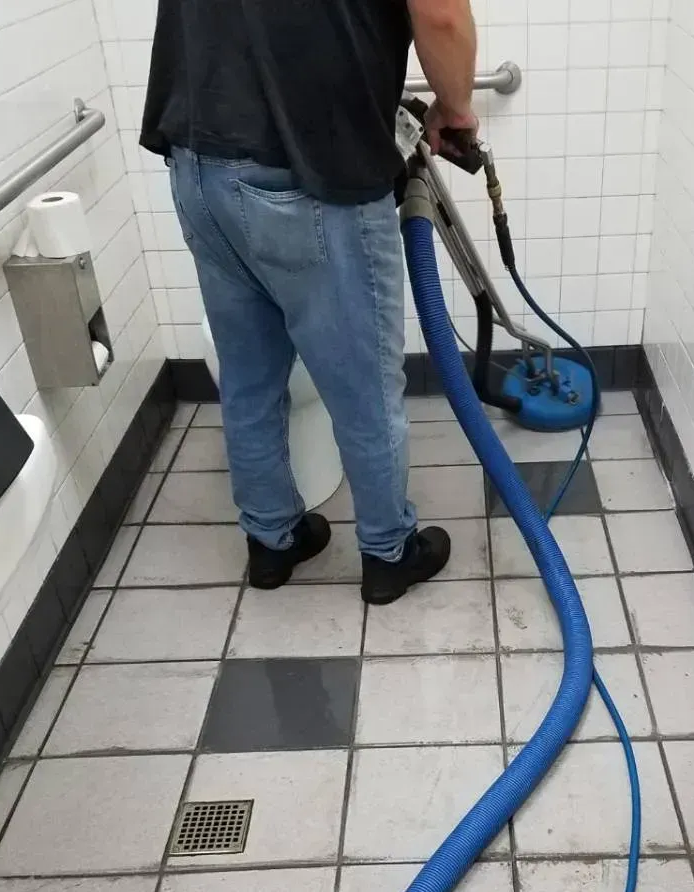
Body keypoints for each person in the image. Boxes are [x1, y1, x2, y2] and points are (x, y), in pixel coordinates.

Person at [140, 0, 478, 604]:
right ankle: (389, 552)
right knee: (363, 386)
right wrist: (455, 108)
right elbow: (443, 15)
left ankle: (272, 540)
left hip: (197, 165)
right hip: (307, 173)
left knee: (248, 375)